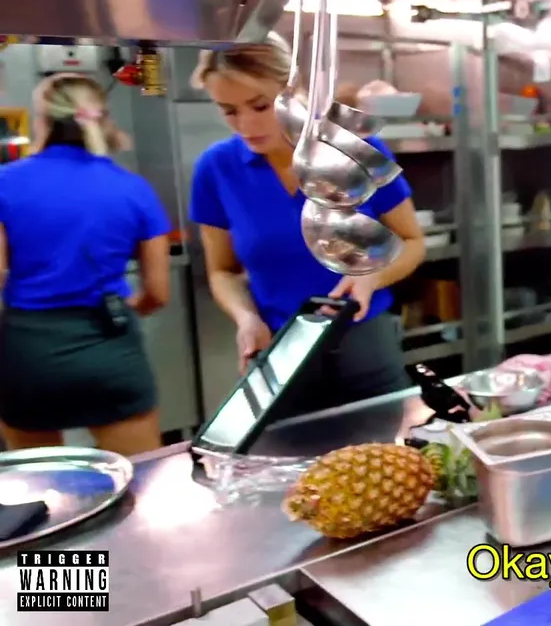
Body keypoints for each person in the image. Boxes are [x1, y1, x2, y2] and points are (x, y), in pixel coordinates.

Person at [188, 33, 426, 417]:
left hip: (364, 343)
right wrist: (246, 318)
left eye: (260, 105)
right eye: (229, 111)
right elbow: (222, 271)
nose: (246, 125)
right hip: (280, 348)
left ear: (293, 88)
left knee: (384, 447)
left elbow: (412, 241)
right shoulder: (216, 169)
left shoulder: (354, 149)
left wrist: (372, 277)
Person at [0, 73, 171, 455]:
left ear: (42, 121)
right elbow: (158, 293)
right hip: (109, 346)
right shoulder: (132, 188)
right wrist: (129, 309)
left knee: (40, 484)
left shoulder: (5, 183)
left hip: (29, 354)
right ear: (103, 119)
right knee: (140, 478)